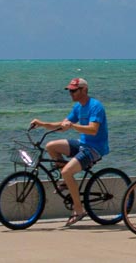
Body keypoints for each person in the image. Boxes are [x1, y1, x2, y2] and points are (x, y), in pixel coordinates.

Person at [28, 76, 109, 228]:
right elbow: (63, 124)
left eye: (73, 90)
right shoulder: (78, 106)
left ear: (84, 90)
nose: (70, 93)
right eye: (69, 91)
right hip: (83, 144)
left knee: (66, 171)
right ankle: (67, 182)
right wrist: (42, 124)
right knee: (51, 146)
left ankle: (79, 210)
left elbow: (93, 129)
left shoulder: (95, 106)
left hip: (95, 148)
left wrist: (73, 126)